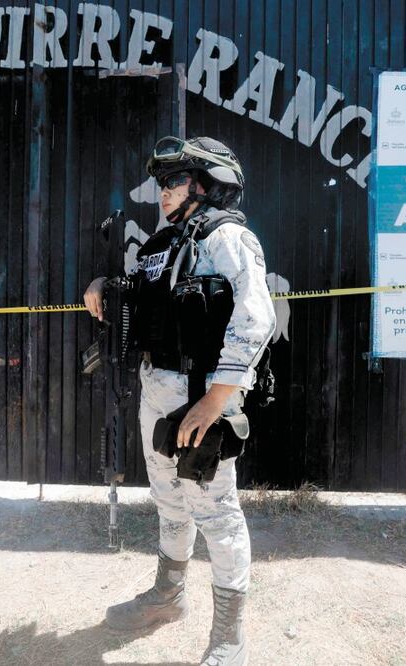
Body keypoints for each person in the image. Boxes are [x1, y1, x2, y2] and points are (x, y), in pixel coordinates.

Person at [84, 136, 276, 666]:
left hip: (199, 401)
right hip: (158, 393)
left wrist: (216, 402)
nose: (162, 191)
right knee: (169, 503)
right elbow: (145, 299)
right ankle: (168, 597)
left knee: (217, 514)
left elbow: (257, 320)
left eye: (174, 180)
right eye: (161, 182)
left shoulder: (228, 238)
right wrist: (104, 284)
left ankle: (230, 638)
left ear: (206, 183)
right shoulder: (164, 244)